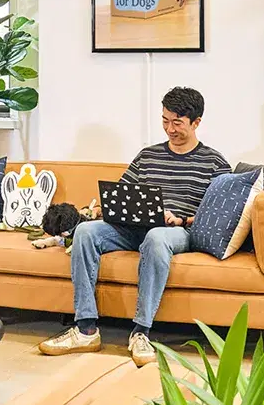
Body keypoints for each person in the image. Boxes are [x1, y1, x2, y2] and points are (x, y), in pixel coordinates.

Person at [38, 86, 231, 368]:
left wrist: (181, 219)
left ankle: (141, 332)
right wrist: (105, 211)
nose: (170, 129)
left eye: (177, 123)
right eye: (165, 121)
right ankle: (86, 329)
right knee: (86, 232)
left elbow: (221, 214)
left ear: (196, 122)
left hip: (175, 232)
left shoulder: (214, 162)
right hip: (133, 228)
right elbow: (121, 193)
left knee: (155, 237)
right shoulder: (148, 156)